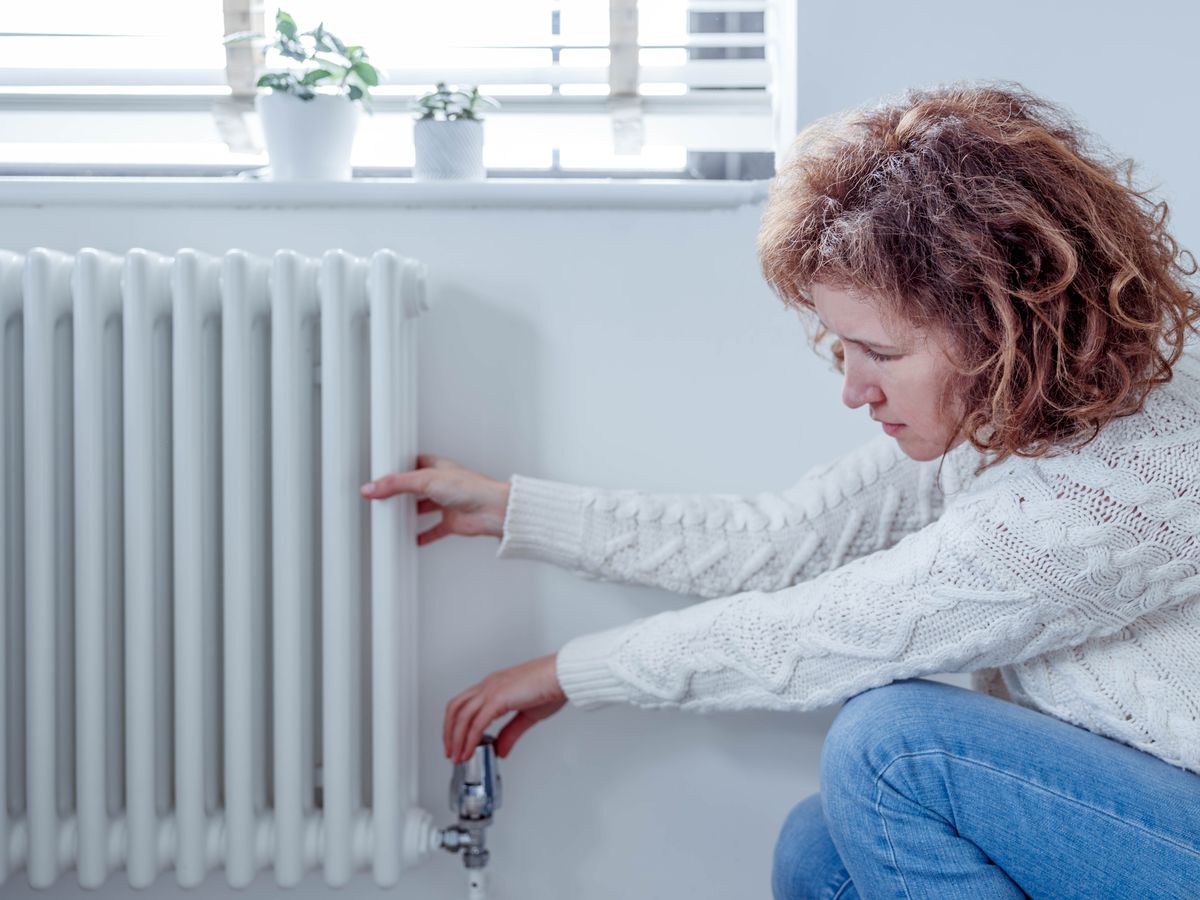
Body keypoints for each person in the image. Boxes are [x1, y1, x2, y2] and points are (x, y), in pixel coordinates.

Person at [361, 81, 1200, 897]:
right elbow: (781, 541)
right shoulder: (1010, 413)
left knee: (894, 747)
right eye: (842, 347)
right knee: (817, 849)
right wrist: (512, 509)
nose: (853, 389)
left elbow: (828, 630)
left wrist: (565, 673)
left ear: (999, 326)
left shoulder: (1129, 479)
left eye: (881, 353)